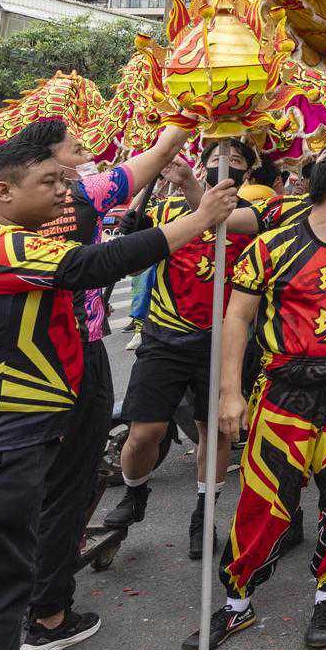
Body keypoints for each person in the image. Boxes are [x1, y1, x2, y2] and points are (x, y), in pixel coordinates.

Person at [0, 123, 227, 650]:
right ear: (4, 192)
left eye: (66, 180)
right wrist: (199, 220)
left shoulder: (0, 242)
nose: (64, 191)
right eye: (51, 181)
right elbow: (91, 264)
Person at [196, 148, 326, 650]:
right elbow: (237, 319)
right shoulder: (271, 247)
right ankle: (237, 603)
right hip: (285, 392)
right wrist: (228, 393)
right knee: (264, 496)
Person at [101, 154, 266, 559]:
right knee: (144, 433)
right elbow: (138, 253)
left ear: (247, 170)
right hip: (165, 336)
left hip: (221, 340)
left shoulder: (255, 213)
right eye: (215, 155)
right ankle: (136, 493)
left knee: (216, 432)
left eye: (234, 157)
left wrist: (193, 183)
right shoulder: (165, 209)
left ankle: (203, 514)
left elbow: (215, 215)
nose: (223, 162)